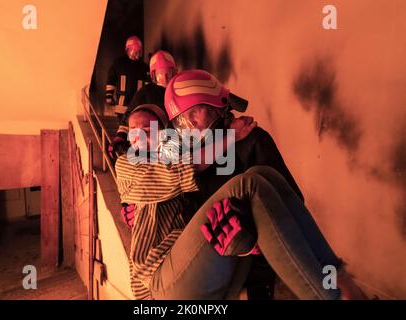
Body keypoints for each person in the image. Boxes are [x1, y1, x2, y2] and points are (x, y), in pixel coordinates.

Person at [116, 99, 367, 300]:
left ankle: (343, 282)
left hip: (201, 267)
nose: (140, 135)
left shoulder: (181, 150)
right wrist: (229, 138)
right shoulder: (127, 163)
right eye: (134, 130)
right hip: (157, 283)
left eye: (149, 128)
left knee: (262, 175)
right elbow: (174, 172)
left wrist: (252, 236)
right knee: (249, 184)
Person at [110, 50, 178, 157]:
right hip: (153, 144)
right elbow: (130, 115)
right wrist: (120, 136)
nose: (164, 78)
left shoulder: (181, 89)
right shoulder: (145, 92)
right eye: (160, 74)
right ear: (152, 75)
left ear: (175, 72)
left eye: (168, 73)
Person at [105, 36, 149, 116]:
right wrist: (109, 95)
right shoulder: (119, 63)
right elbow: (111, 79)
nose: (137, 54)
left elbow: (147, 86)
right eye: (135, 51)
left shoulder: (144, 67)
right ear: (128, 50)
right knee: (123, 127)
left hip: (137, 107)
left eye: (139, 51)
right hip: (122, 107)